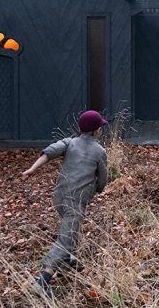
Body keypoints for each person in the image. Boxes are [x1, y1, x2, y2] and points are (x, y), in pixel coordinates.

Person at [22, 109, 109, 295]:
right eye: (100, 127)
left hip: (59, 198)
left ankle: (69, 261)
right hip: (75, 201)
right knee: (66, 240)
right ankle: (43, 279)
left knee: (70, 232)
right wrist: (97, 189)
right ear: (96, 131)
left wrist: (32, 169)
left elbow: (50, 152)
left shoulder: (69, 143)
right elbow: (103, 179)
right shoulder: (99, 151)